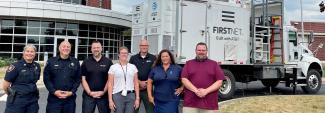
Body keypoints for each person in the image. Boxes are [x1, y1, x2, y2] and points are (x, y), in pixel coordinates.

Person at [181, 42, 225, 113]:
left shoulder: (214, 64)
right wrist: (196, 91)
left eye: (203, 50)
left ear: (207, 51)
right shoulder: (189, 63)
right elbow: (184, 79)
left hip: (210, 104)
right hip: (190, 104)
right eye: (199, 50)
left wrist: (206, 91)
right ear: (195, 51)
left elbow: (220, 81)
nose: (201, 52)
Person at [43, 40, 81, 113]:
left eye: (68, 47)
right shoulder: (51, 61)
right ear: (59, 48)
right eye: (64, 46)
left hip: (70, 100)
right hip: (54, 99)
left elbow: (78, 79)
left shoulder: (75, 62)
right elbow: (46, 78)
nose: (66, 48)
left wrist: (72, 92)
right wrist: (54, 91)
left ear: (70, 49)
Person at [3, 44, 41, 113]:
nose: (29, 53)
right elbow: (5, 85)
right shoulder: (15, 66)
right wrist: (12, 95)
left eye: (32, 52)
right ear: (23, 53)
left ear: (35, 54)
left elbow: (34, 81)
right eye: (27, 51)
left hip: (32, 101)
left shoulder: (37, 66)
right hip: (17, 101)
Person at [81, 41, 113, 113]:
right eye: (94, 48)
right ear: (91, 49)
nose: (96, 49)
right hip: (88, 96)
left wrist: (103, 92)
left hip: (104, 96)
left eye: (98, 47)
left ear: (101, 49)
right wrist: (89, 92)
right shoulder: (86, 62)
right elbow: (83, 79)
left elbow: (110, 79)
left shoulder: (108, 62)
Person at [108, 46, 140, 113]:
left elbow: (136, 84)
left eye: (126, 53)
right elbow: (110, 84)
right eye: (122, 53)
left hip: (131, 95)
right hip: (117, 95)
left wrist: (137, 98)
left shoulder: (133, 67)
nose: (124, 54)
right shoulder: (113, 67)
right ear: (119, 55)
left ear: (128, 54)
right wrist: (110, 100)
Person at [129, 39, 155, 113]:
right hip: (135, 89)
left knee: (150, 111)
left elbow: (155, 72)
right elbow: (130, 73)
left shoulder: (153, 58)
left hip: (148, 90)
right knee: (134, 110)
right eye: (142, 45)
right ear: (139, 46)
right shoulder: (133, 58)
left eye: (146, 45)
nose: (144, 47)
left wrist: (148, 82)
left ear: (148, 46)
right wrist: (139, 82)